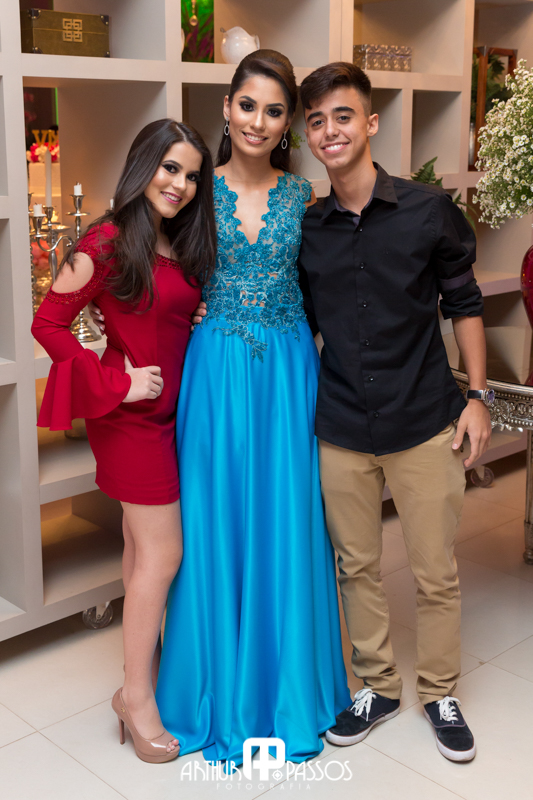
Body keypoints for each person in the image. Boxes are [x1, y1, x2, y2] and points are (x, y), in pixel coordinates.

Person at [155, 50, 350, 767]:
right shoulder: (191, 188)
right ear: (227, 106)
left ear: (287, 122)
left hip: (288, 371)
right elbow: (150, 268)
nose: (258, 123)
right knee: (213, 518)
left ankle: (284, 688)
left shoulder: (304, 195)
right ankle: (213, 688)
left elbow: (332, 282)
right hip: (214, 371)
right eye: (247, 106)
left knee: (284, 516)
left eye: (274, 111)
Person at [296, 62, 492, 763]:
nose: (329, 131)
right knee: (355, 566)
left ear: (370, 123)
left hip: (423, 418)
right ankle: (377, 686)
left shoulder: (426, 209)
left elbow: (464, 303)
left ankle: (439, 691)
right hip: (341, 424)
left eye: (342, 116)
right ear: (308, 135)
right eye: (316, 121)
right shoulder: (308, 228)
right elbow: (294, 319)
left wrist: (478, 397)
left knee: (434, 570)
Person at [31, 119, 217, 764]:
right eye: (170, 168)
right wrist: (118, 380)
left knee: (142, 553)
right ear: (144, 167)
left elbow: (164, 312)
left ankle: (135, 683)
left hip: (173, 416)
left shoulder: (174, 240)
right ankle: (136, 699)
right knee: (164, 556)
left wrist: (190, 311)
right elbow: (48, 323)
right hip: (131, 419)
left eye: (191, 175)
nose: (181, 184)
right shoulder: (108, 239)